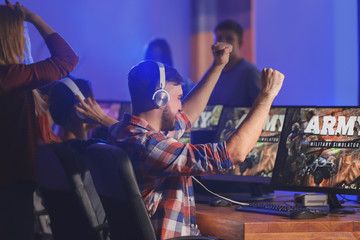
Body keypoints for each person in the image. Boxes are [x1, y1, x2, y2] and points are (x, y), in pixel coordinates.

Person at [77, 40, 284, 239]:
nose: (180, 107)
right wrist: (266, 96)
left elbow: (190, 112)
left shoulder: (124, 132)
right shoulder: (150, 146)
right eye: (178, 98)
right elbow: (235, 152)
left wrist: (218, 65)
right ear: (160, 99)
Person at [0, 1, 79, 239]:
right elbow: (67, 59)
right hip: (10, 181)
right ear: (12, 36)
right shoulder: (11, 77)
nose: (25, 39)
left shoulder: (12, 78)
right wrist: (35, 19)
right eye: (22, 33)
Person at [208, 19, 261, 107]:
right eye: (219, 38)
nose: (223, 43)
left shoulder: (250, 73)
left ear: (240, 44)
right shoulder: (211, 73)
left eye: (229, 39)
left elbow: (264, 108)